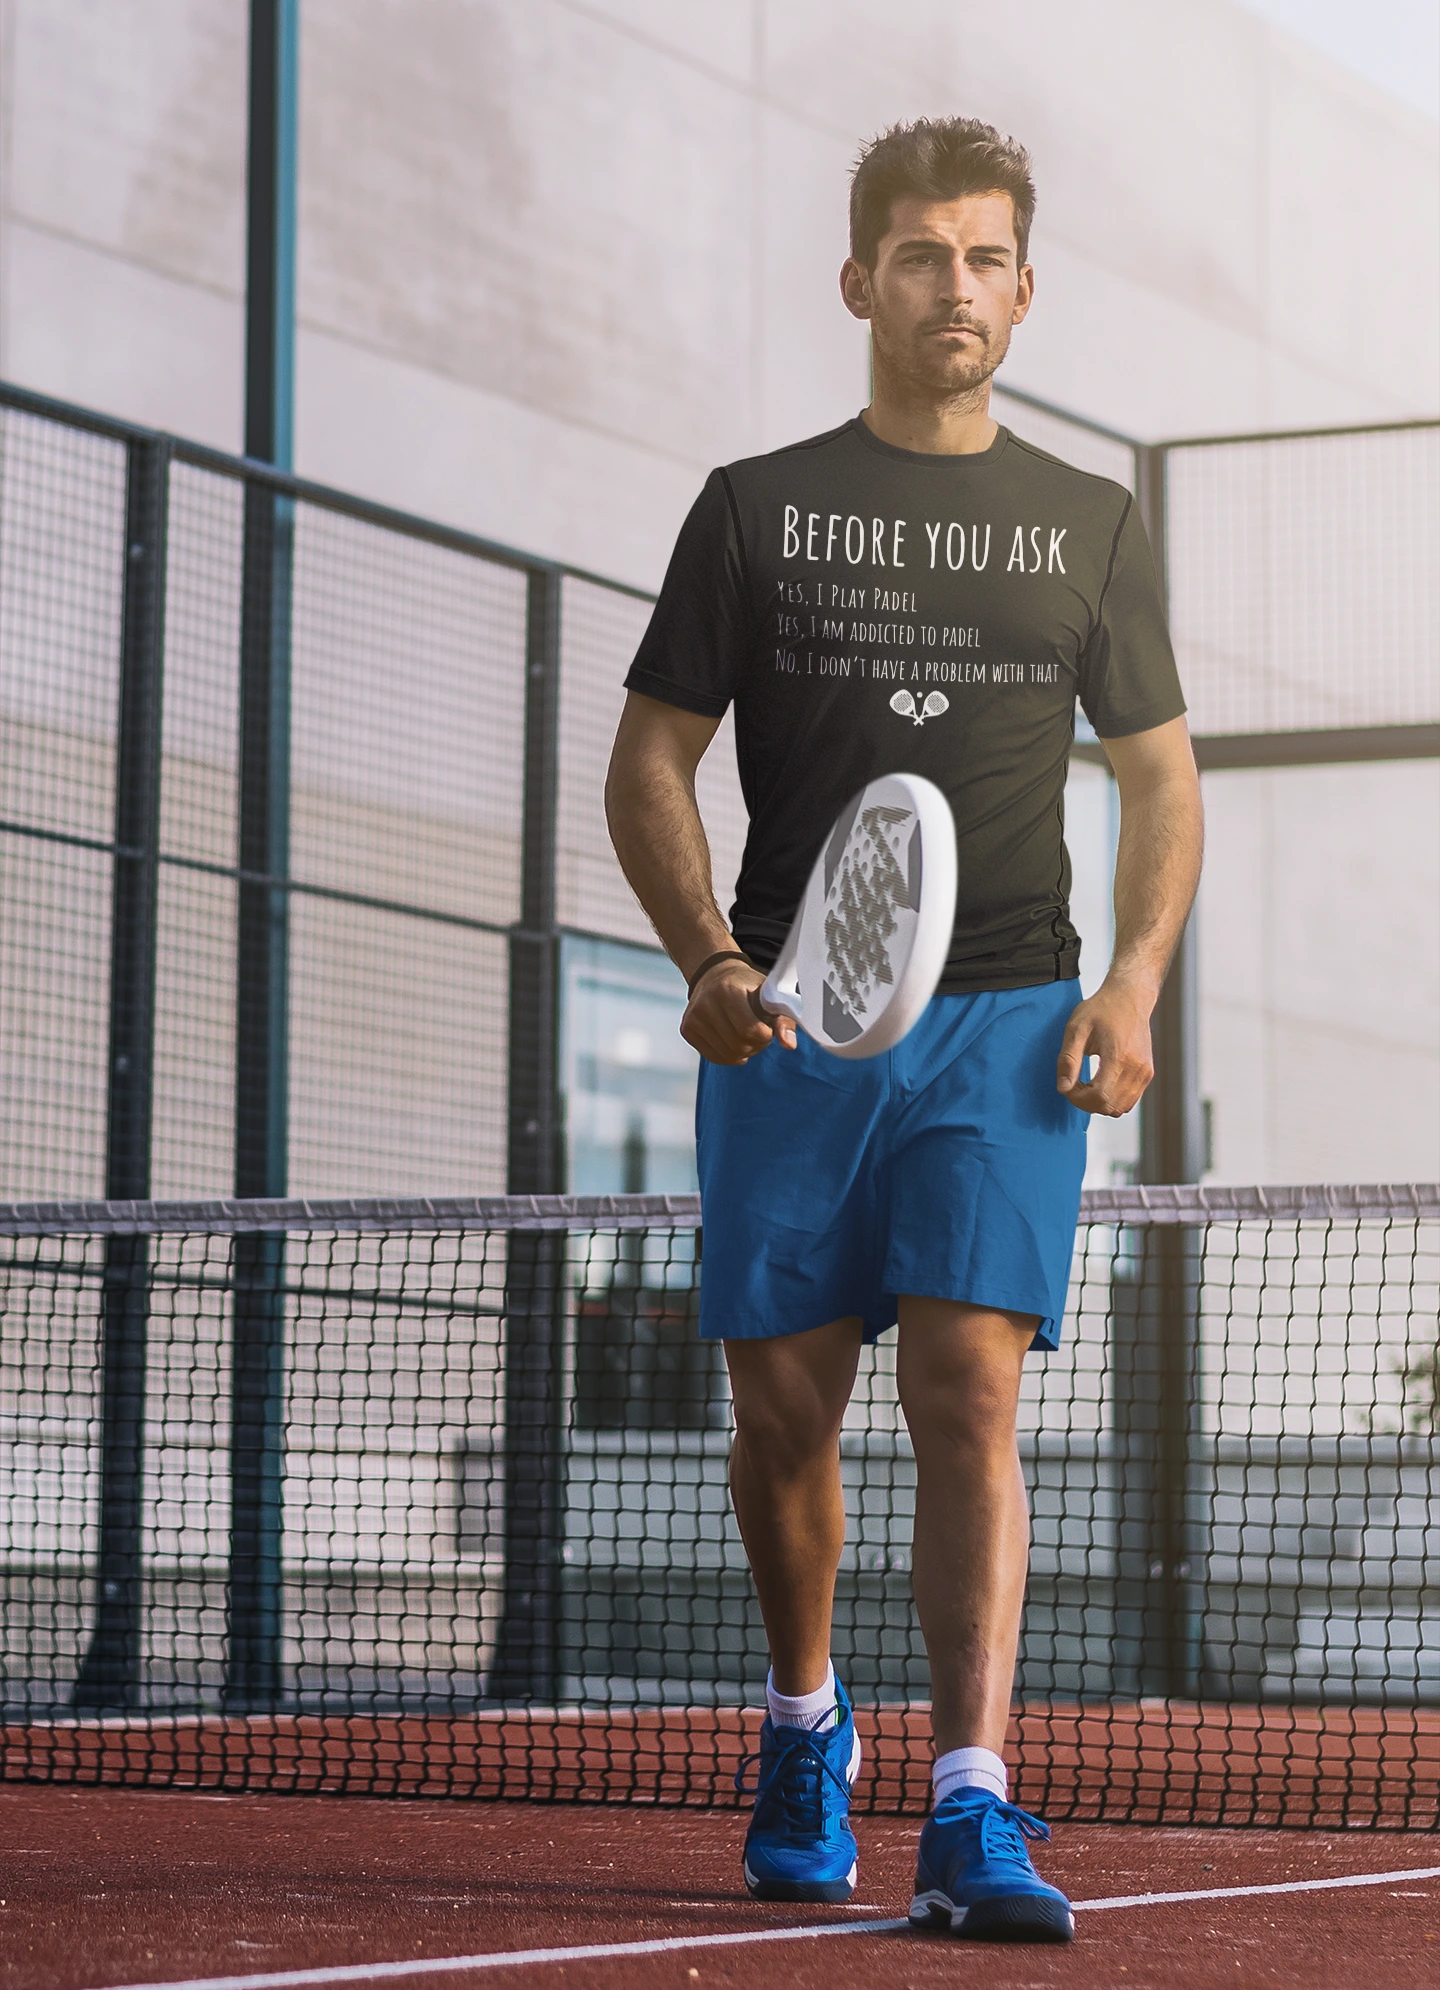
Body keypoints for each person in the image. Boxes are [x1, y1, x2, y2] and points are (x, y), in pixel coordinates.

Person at [604, 116, 1202, 1945]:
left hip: (1011, 1020)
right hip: (797, 1025)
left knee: (971, 1392)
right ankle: (805, 1722)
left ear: (1026, 290)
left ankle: (969, 1797)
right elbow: (648, 760)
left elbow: (1162, 780)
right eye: (923, 254)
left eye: (986, 257)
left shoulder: (1094, 523)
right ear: (860, 278)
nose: (957, 284)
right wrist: (709, 959)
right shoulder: (752, 508)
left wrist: (1133, 980)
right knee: (784, 1413)